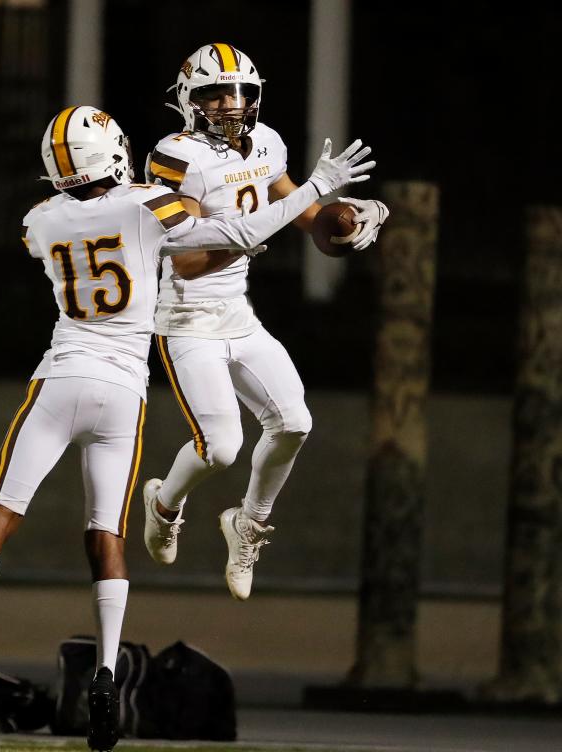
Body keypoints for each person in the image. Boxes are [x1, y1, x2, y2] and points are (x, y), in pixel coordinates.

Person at [0, 105, 373, 751]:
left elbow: (71, 233)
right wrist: (314, 192)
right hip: (121, 389)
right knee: (106, 535)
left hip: (59, 377)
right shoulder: (149, 203)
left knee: (2, 510)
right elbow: (230, 236)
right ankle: (103, 674)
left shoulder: (37, 222)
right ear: (115, 155)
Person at [142, 43, 388, 600]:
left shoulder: (268, 143)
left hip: (239, 317)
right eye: (213, 93)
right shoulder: (175, 155)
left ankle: (247, 524)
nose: (230, 104)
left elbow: (302, 215)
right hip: (186, 318)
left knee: (294, 423)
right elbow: (186, 257)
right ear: (187, 100)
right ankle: (163, 505)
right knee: (220, 447)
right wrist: (264, 227)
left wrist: (344, 225)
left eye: (240, 92)